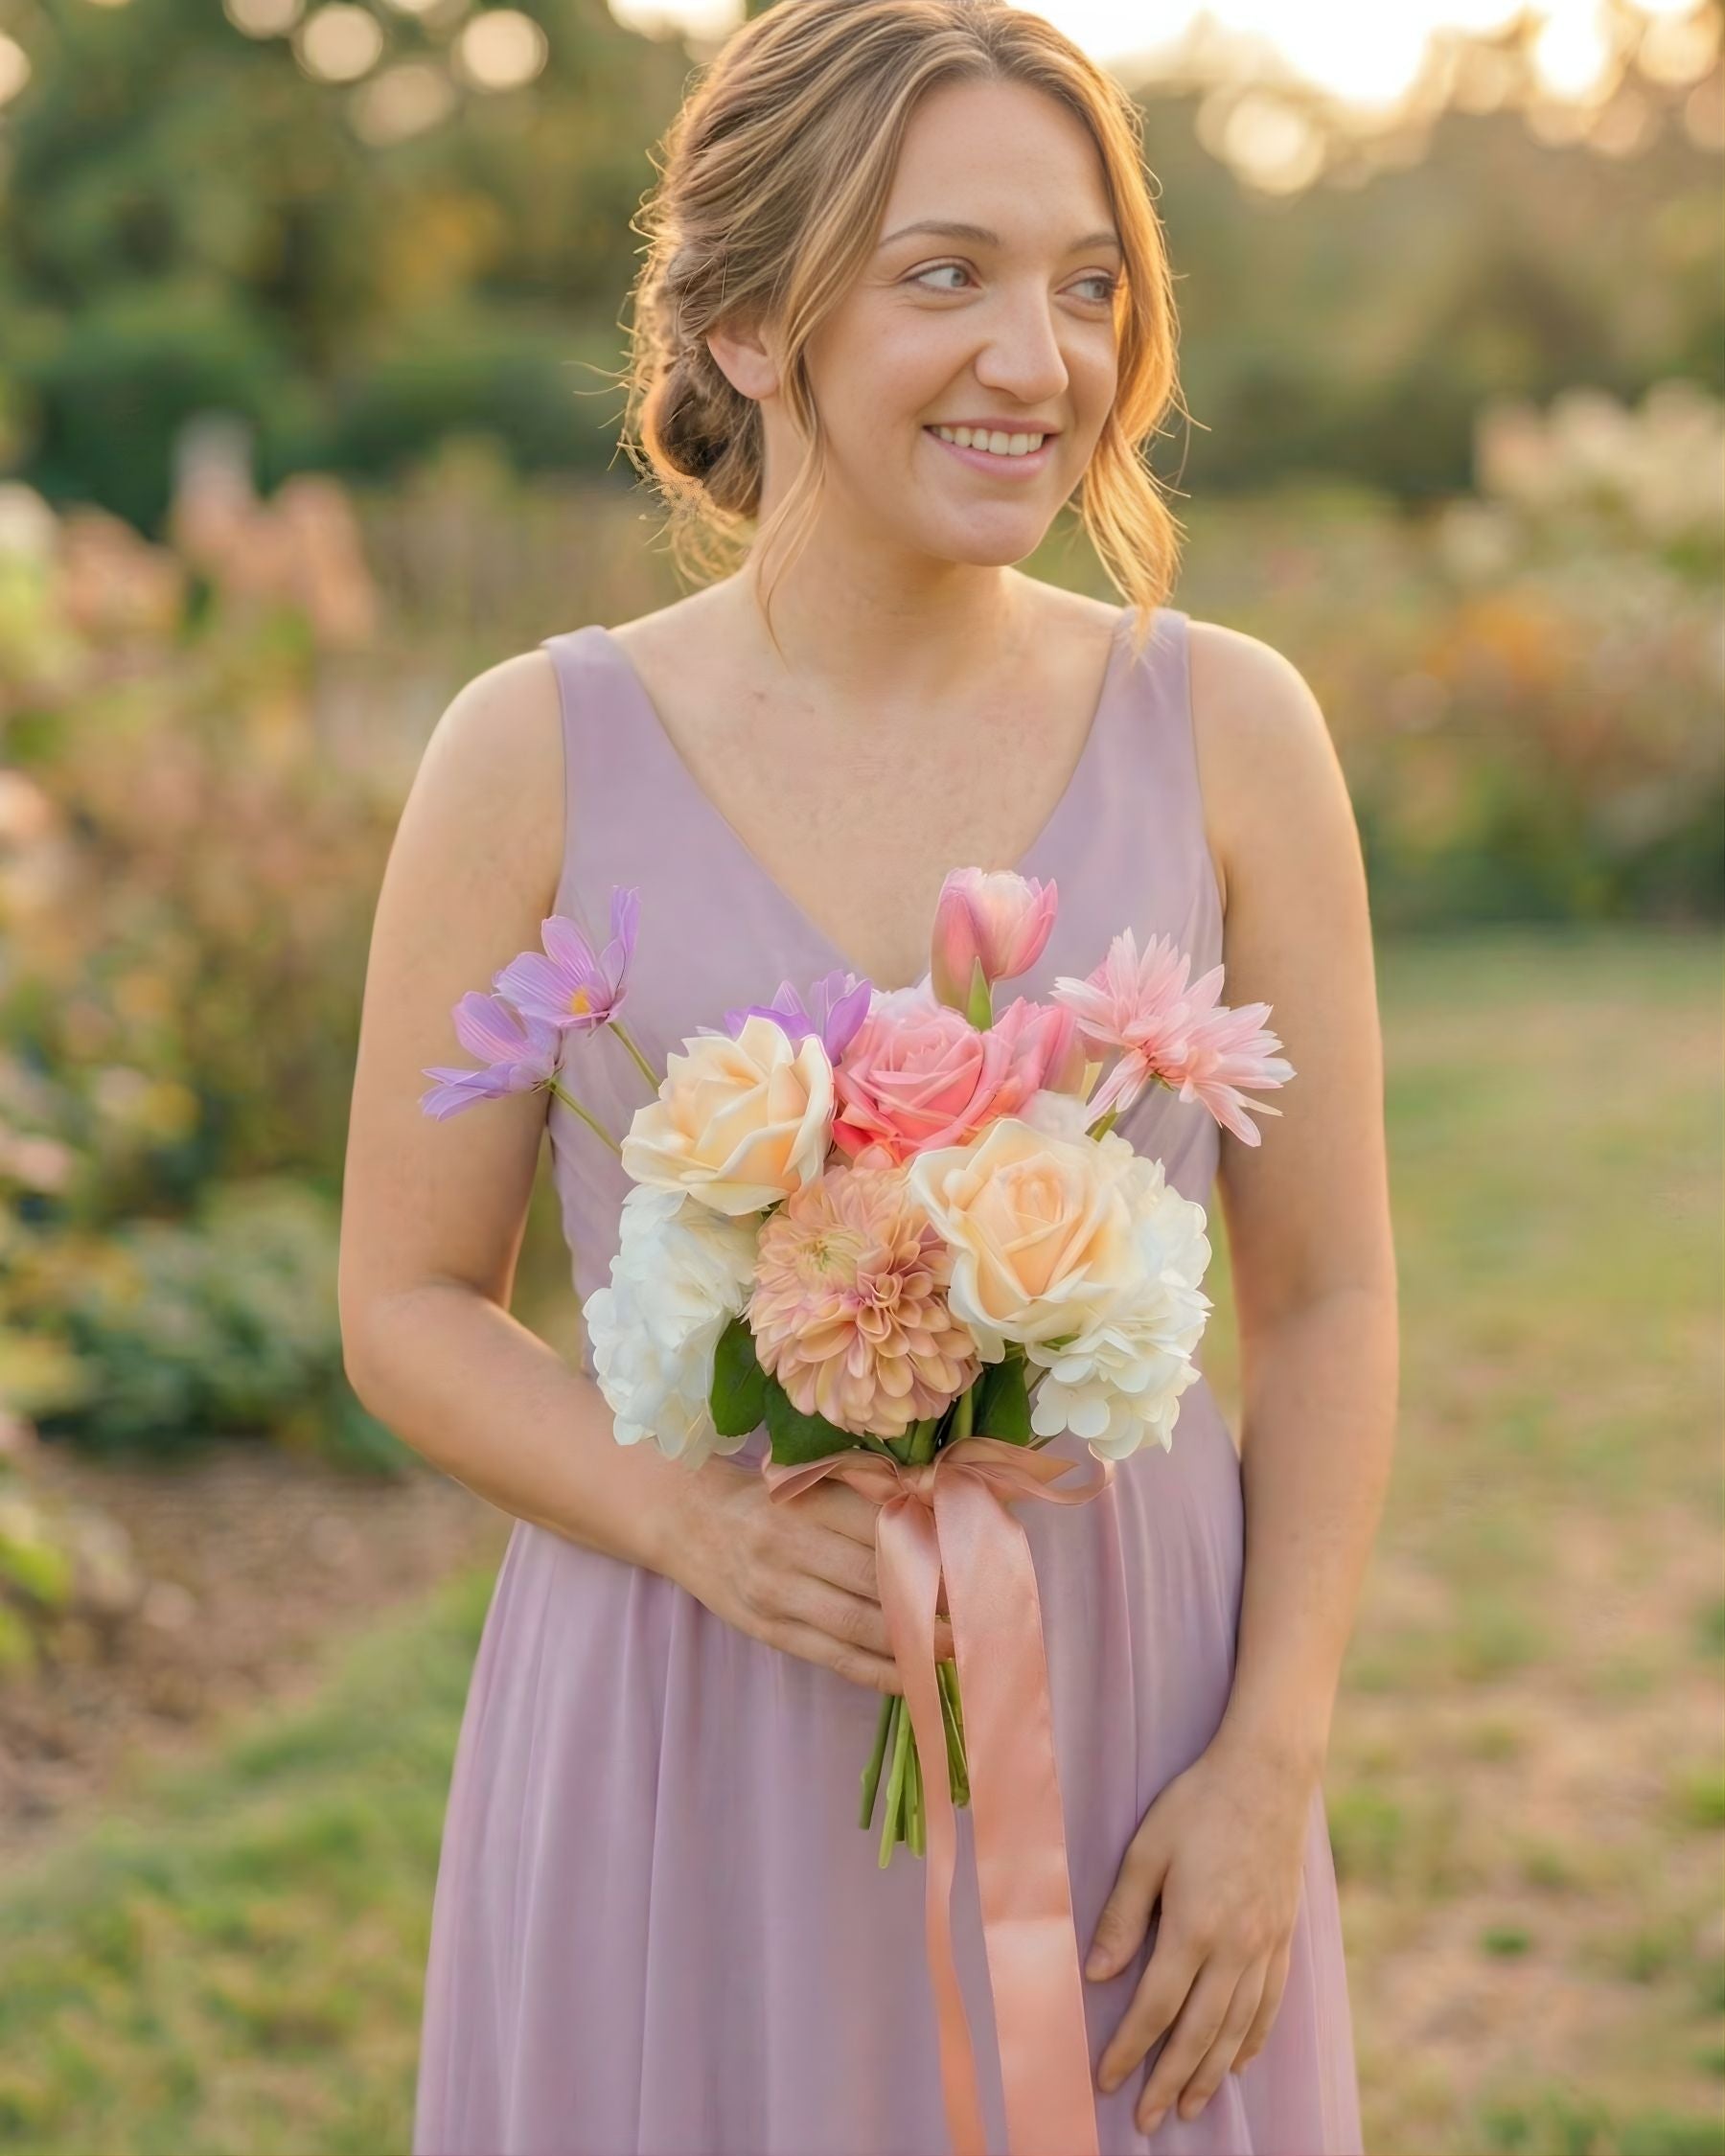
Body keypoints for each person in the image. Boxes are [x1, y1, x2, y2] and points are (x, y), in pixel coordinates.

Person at [337, 1, 1397, 2148]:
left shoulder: (1237, 732)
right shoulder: (530, 754)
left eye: (1088, 286)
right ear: (744, 324)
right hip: (690, 1720)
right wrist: (690, 1529)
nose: (1043, 358)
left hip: (1128, 1737)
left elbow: (1335, 1294)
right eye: (948, 275)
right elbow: (405, 1304)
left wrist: (1268, 1757)